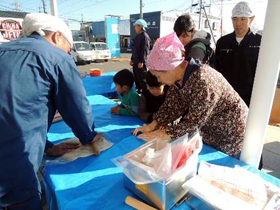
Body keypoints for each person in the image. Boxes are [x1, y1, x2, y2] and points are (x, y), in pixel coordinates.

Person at [0, 13, 102, 210]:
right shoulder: (56, 57)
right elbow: (76, 105)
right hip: (13, 169)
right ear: (57, 37)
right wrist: (89, 136)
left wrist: (47, 147)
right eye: (69, 48)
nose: (68, 54)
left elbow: (13, 110)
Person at [133, 32, 248, 158]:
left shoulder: (204, 81)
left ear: (171, 67)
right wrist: (152, 125)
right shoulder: (177, 78)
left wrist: (164, 134)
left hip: (231, 137)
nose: (160, 81)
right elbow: (171, 107)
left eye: (159, 76)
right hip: (210, 133)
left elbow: (192, 123)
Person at [215, 1, 261, 107]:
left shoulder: (260, 42)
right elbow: (217, 69)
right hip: (225, 96)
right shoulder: (223, 42)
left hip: (250, 99)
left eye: (243, 19)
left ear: (251, 19)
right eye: (234, 19)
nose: (238, 23)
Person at [130, 19, 151, 93]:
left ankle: (145, 96)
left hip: (141, 63)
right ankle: (139, 93)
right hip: (136, 62)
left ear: (140, 26)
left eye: (136, 26)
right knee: (137, 79)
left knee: (142, 80)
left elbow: (145, 50)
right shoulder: (137, 37)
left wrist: (142, 61)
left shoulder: (145, 37)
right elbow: (134, 49)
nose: (135, 28)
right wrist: (132, 59)